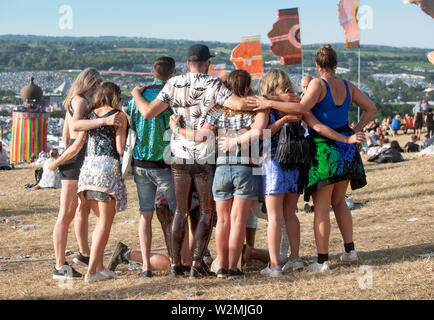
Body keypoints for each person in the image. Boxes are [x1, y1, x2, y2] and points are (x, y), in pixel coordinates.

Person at [249, 44, 376, 272]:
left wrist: (268, 102)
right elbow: (371, 108)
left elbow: (301, 108)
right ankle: (350, 250)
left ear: (318, 65)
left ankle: (322, 261)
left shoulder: (319, 83)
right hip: (346, 149)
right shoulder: (348, 85)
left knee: (321, 207)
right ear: (336, 64)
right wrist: (352, 130)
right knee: (340, 202)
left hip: (324, 150)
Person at [131, 44, 252, 279]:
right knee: (207, 211)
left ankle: (176, 263)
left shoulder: (173, 83)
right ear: (208, 64)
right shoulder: (214, 84)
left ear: (187, 63)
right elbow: (238, 104)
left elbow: (147, 112)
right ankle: (196, 263)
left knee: (181, 212)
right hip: (204, 155)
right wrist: (268, 102)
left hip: (179, 154)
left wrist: (136, 93)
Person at [49, 68, 122, 280]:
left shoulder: (73, 101)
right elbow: (76, 131)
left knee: (79, 211)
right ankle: (60, 266)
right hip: (76, 159)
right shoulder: (80, 101)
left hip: (76, 157)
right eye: (95, 85)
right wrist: (103, 121)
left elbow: (65, 135)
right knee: (67, 214)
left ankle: (84, 255)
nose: (97, 89)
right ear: (88, 84)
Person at [125, 57, 177, 278]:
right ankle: (178, 260)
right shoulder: (170, 96)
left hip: (140, 161)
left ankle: (146, 266)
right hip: (163, 161)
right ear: (172, 74)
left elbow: (133, 127)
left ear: (153, 73)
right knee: (178, 212)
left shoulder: (134, 99)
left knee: (145, 214)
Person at [76, 82, 127, 283]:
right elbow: (121, 149)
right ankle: (92, 271)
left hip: (88, 170)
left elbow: (77, 129)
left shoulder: (90, 114)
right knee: (104, 224)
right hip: (106, 170)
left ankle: (99, 267)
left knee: (100, 222)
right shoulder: (118, 116)